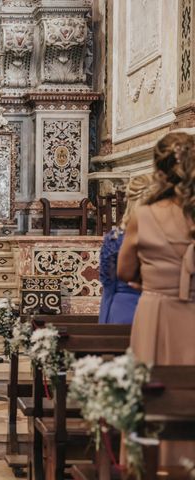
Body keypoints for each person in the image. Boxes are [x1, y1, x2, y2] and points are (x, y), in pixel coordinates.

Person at [118, 131, 195, 465]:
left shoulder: (144, 215)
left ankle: (150, 465)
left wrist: (150, 280)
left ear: (158, 168)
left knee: (154, 392)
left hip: (157, 312)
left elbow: (124, 270)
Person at [97, 174, 152, 324]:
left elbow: (108, 285)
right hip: (158, 310)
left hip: (123, 309)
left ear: (129, 201)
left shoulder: (115, 239)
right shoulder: (166, 237)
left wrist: (104, 321)